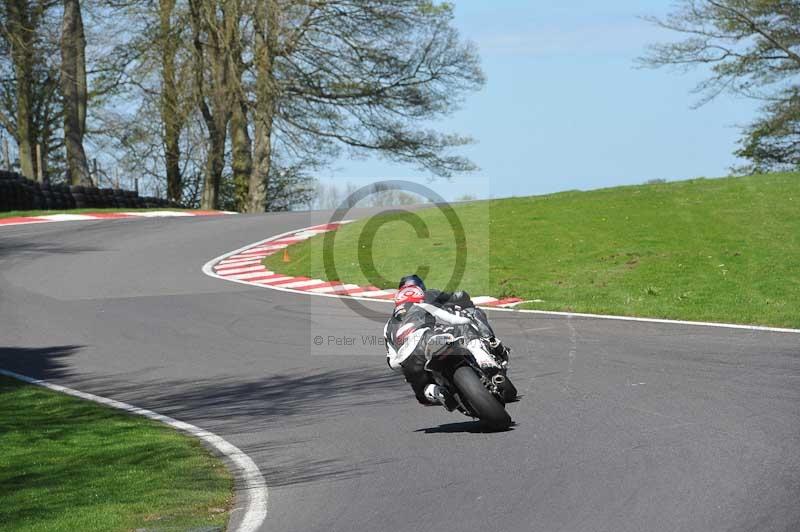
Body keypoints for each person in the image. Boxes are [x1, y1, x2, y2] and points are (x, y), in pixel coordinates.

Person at [384, 274, 509, 408]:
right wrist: (468, 320)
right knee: (462, 328)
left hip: (408, 360)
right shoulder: (423, 305)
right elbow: (455, 319)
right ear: (420, 292)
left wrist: (404, 365)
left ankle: (437, 392)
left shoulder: (388, 325)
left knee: (422, 396)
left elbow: (392, 362)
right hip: (429, 339)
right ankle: (482, 356)